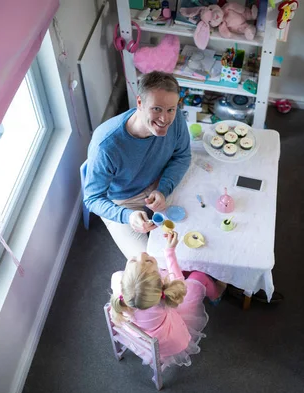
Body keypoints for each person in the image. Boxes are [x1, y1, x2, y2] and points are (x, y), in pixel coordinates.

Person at [84, 71, 191, 258]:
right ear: (139, 103)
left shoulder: (177, 118)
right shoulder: (106, 145)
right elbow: (92, 199)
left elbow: (182, 156)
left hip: (158, 181)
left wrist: (163, 189)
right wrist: (127, 216)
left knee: (193, 244)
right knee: (152, 269)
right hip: (123, 201)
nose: (165, 119)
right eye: (156, 108)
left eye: (170, 109)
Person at [110, 231, 226, 366]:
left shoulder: (117, 279)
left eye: (134, 260)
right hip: (171, 339)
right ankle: (216, 296)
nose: (142, 254)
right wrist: (169, 251)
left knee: (175, 275)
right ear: (160, 289)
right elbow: (179, 284)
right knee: (199, 277)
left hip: (142, 335)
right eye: (147, 260)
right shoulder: (164, 302)